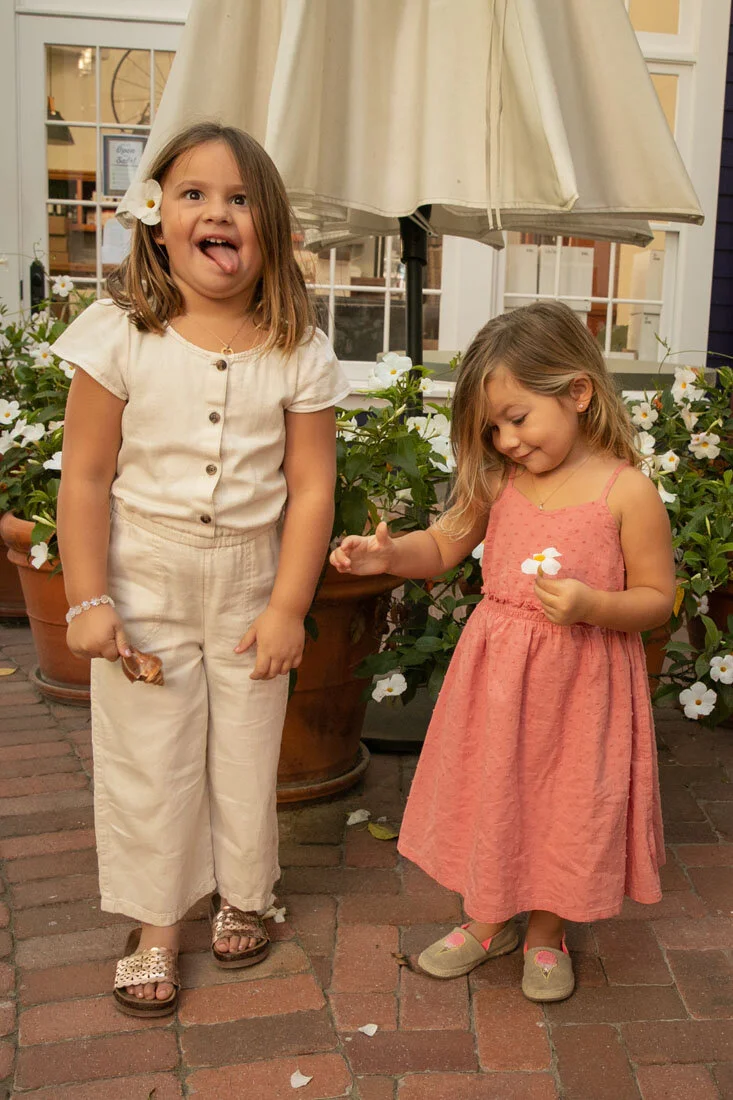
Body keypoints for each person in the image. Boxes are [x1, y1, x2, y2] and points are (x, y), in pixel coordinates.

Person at [55, 122, 349, 1017]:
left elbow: (308, 488)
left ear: (271, 226)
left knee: (246, 748)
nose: (215, 213)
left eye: (237, 198)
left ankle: (245, 892)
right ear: (155, 220)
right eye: (192, 195)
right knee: (150, 755)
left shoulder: (297, 346)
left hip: (249, 581)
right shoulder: (120, 335)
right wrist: (88, 597)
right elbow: (87, 477)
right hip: (145, 575)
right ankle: (153, 925)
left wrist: (289, 605)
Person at [330, 301, 674, 1002]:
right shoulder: (497, 480)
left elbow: (656, 599)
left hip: (582, 687)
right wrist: (390, 554)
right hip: (499, 680)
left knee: (566, 803)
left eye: (516, 418)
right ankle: (488, 919)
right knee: (498, 790)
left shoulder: (627, 493)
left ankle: (546, 930)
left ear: (576, 392)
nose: (505, 439)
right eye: (492, 427)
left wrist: (593, 606)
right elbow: (444, 545)